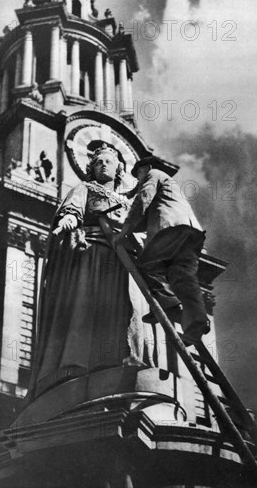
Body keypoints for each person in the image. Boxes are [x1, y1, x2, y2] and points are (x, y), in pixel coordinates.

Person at [28, 144, 158, 401]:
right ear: (92, 168)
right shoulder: (85, 189)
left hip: (125, 262)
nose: (103, 165)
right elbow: (73, 210)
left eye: (108, 161)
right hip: (95, 256)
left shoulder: (128, 201)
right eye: (98, 162)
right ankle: (79, 363)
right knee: (89, 309)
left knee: (125, 308)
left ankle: (126, 359)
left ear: (118, 168)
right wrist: (67, 220)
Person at [113, 156, 210, 346]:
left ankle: (168, 305)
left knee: (147, 265)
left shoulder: (154, 174)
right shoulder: (168, 183)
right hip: (191, 233)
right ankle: (196, 323)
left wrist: (124, 230)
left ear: (147, 168)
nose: (139, 178)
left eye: (139, 173)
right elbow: (147, 208)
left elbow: (143, 199)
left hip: (171, 229)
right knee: (182, 277)